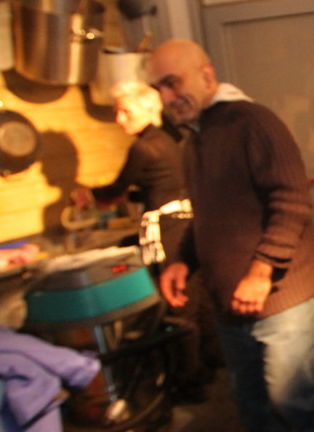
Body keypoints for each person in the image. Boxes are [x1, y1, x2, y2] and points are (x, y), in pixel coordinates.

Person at [145, 39, 314, 432]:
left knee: (291, 393)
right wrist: (182, 262)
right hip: (230, 299)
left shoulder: (253, 123)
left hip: (281, 294)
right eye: (158, 88)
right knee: (250, 402)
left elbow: (292, 203)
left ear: (206, 75)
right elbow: (207, 217)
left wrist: (262, 271)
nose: (166, 97)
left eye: (172, 83)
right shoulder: (192, 142)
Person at [70, 81, 218, 403]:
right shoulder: (170, 141)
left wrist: (87, 194)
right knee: (198, 298)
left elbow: (116, 190)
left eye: (126, 112)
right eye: (118, 112)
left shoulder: (143, 147)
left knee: (177, 302)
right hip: (188, 223)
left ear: (148, 110)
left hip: (167, 232)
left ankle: (189, 381)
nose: (120, 119)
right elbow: (160, 187)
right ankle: (209, 365)